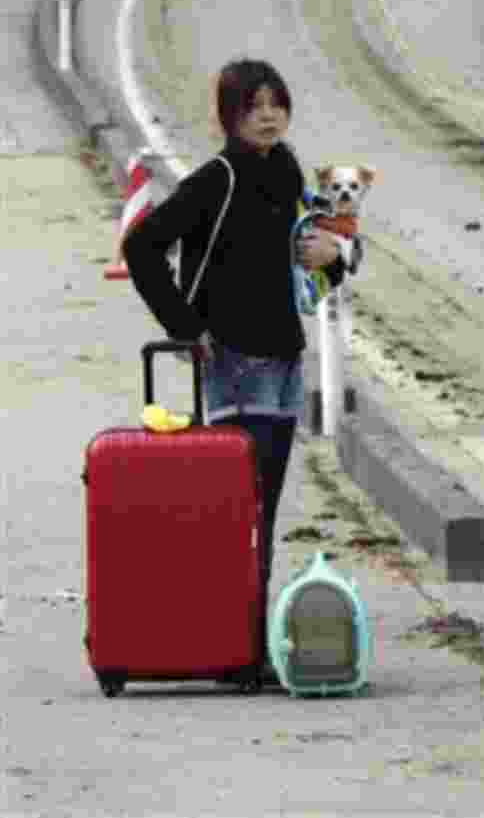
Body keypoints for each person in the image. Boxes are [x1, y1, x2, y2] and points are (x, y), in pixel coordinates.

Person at [122, 58, 347, 679]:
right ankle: (236, 650)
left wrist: (336, 255)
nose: (268, 115)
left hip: (282, 356)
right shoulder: (216, 179)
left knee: (263, 507)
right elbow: (142, 246)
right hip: (234, 362)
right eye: (254, 106)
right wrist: (186, 327)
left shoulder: (287, 171)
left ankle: (243, 647)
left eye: (276, 102)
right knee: (240, 509)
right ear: (230, 117)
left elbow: (313, 258)